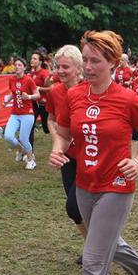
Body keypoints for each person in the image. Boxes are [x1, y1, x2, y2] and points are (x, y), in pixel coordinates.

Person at [46, 30, 138, 275]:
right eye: (86, 60)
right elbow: (63, 132)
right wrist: (57, 149)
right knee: (105, 243)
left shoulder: (127, 99)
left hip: (117, 187)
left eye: (95, 61)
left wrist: (137, 162)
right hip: (85, 185)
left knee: (94, 262)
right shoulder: (74, 95)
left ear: (113, 63)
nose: (89, 66)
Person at [45, 45, 87, 252]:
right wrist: (58, 144)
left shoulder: (90, 89)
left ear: (79, 68)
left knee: (74, 206)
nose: (60, 71)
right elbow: (51, 120)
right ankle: (91, 246)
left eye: (65, 67)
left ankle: (97, 248)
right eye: (57, 66)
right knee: (76, 211)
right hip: (68, 157)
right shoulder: (55, 91)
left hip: (90, 157)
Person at [4, 57, 40, 170]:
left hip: (27, 114)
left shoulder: (28, 80)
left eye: (20, 65)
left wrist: (28, 96)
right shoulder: (11, 79)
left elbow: (37, 95)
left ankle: (31, 160)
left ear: (24, 68)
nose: (17, 67)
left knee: (24, 139)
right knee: (8, 136)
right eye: (16, 65)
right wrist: (7, 100)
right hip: (15, 113)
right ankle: (21, 150)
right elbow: (14, 93)